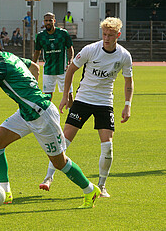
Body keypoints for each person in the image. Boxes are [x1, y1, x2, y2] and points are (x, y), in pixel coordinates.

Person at [0, 30, 101, 209]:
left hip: (42, 116)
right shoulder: (9, 56)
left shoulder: (0, 64)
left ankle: (90, 189)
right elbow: (34, 66)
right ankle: (6, 192)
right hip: (25, 113)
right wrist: (32, 85)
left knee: (59, 163)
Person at [39, 17, 134, 198]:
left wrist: (127, 105)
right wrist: (66, 96)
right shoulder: (90, 50)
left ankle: (102, 186)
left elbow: (129, 82)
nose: (106, 38)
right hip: (83, 100)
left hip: (105, 103)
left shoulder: (124, 55)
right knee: (63, 142)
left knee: (108, 147)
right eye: (104, 34)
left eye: (110, 35)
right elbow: (71, 70)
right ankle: (48, 177)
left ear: (118, 35)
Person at [32, 12, 74, 104]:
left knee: (69, 95)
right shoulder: (40, 36)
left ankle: (73, 115)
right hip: (48, 70)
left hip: (63, 69)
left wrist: (70, 61)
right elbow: (37, 52)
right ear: (44, 22)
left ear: (54, 21)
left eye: (50, 20)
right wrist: (33, 65)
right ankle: (48, 116)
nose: (48, 23)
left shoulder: (63, 33)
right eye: (46, 21)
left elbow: (70, 48)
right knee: (47, 97)